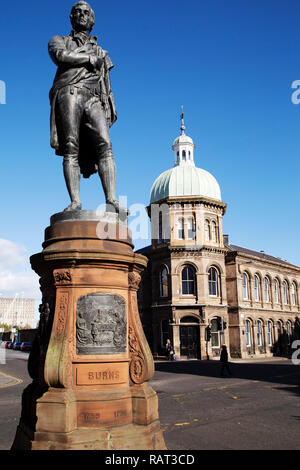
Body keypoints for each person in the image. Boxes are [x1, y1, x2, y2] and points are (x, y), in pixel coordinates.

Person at [48, 1, 125, 214]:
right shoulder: (59, 40)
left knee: (105, 145)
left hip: (93, 98)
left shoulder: (101, 49)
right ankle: (75, 202)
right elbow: (61, 57)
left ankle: (111, 200)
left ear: (91, 20)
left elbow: (106, 83)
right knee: (71, 146)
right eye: (77, 12)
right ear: (71, 17)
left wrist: (109, 105)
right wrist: (90, 58)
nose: (82, 15)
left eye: (86, 13)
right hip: (70, 91)